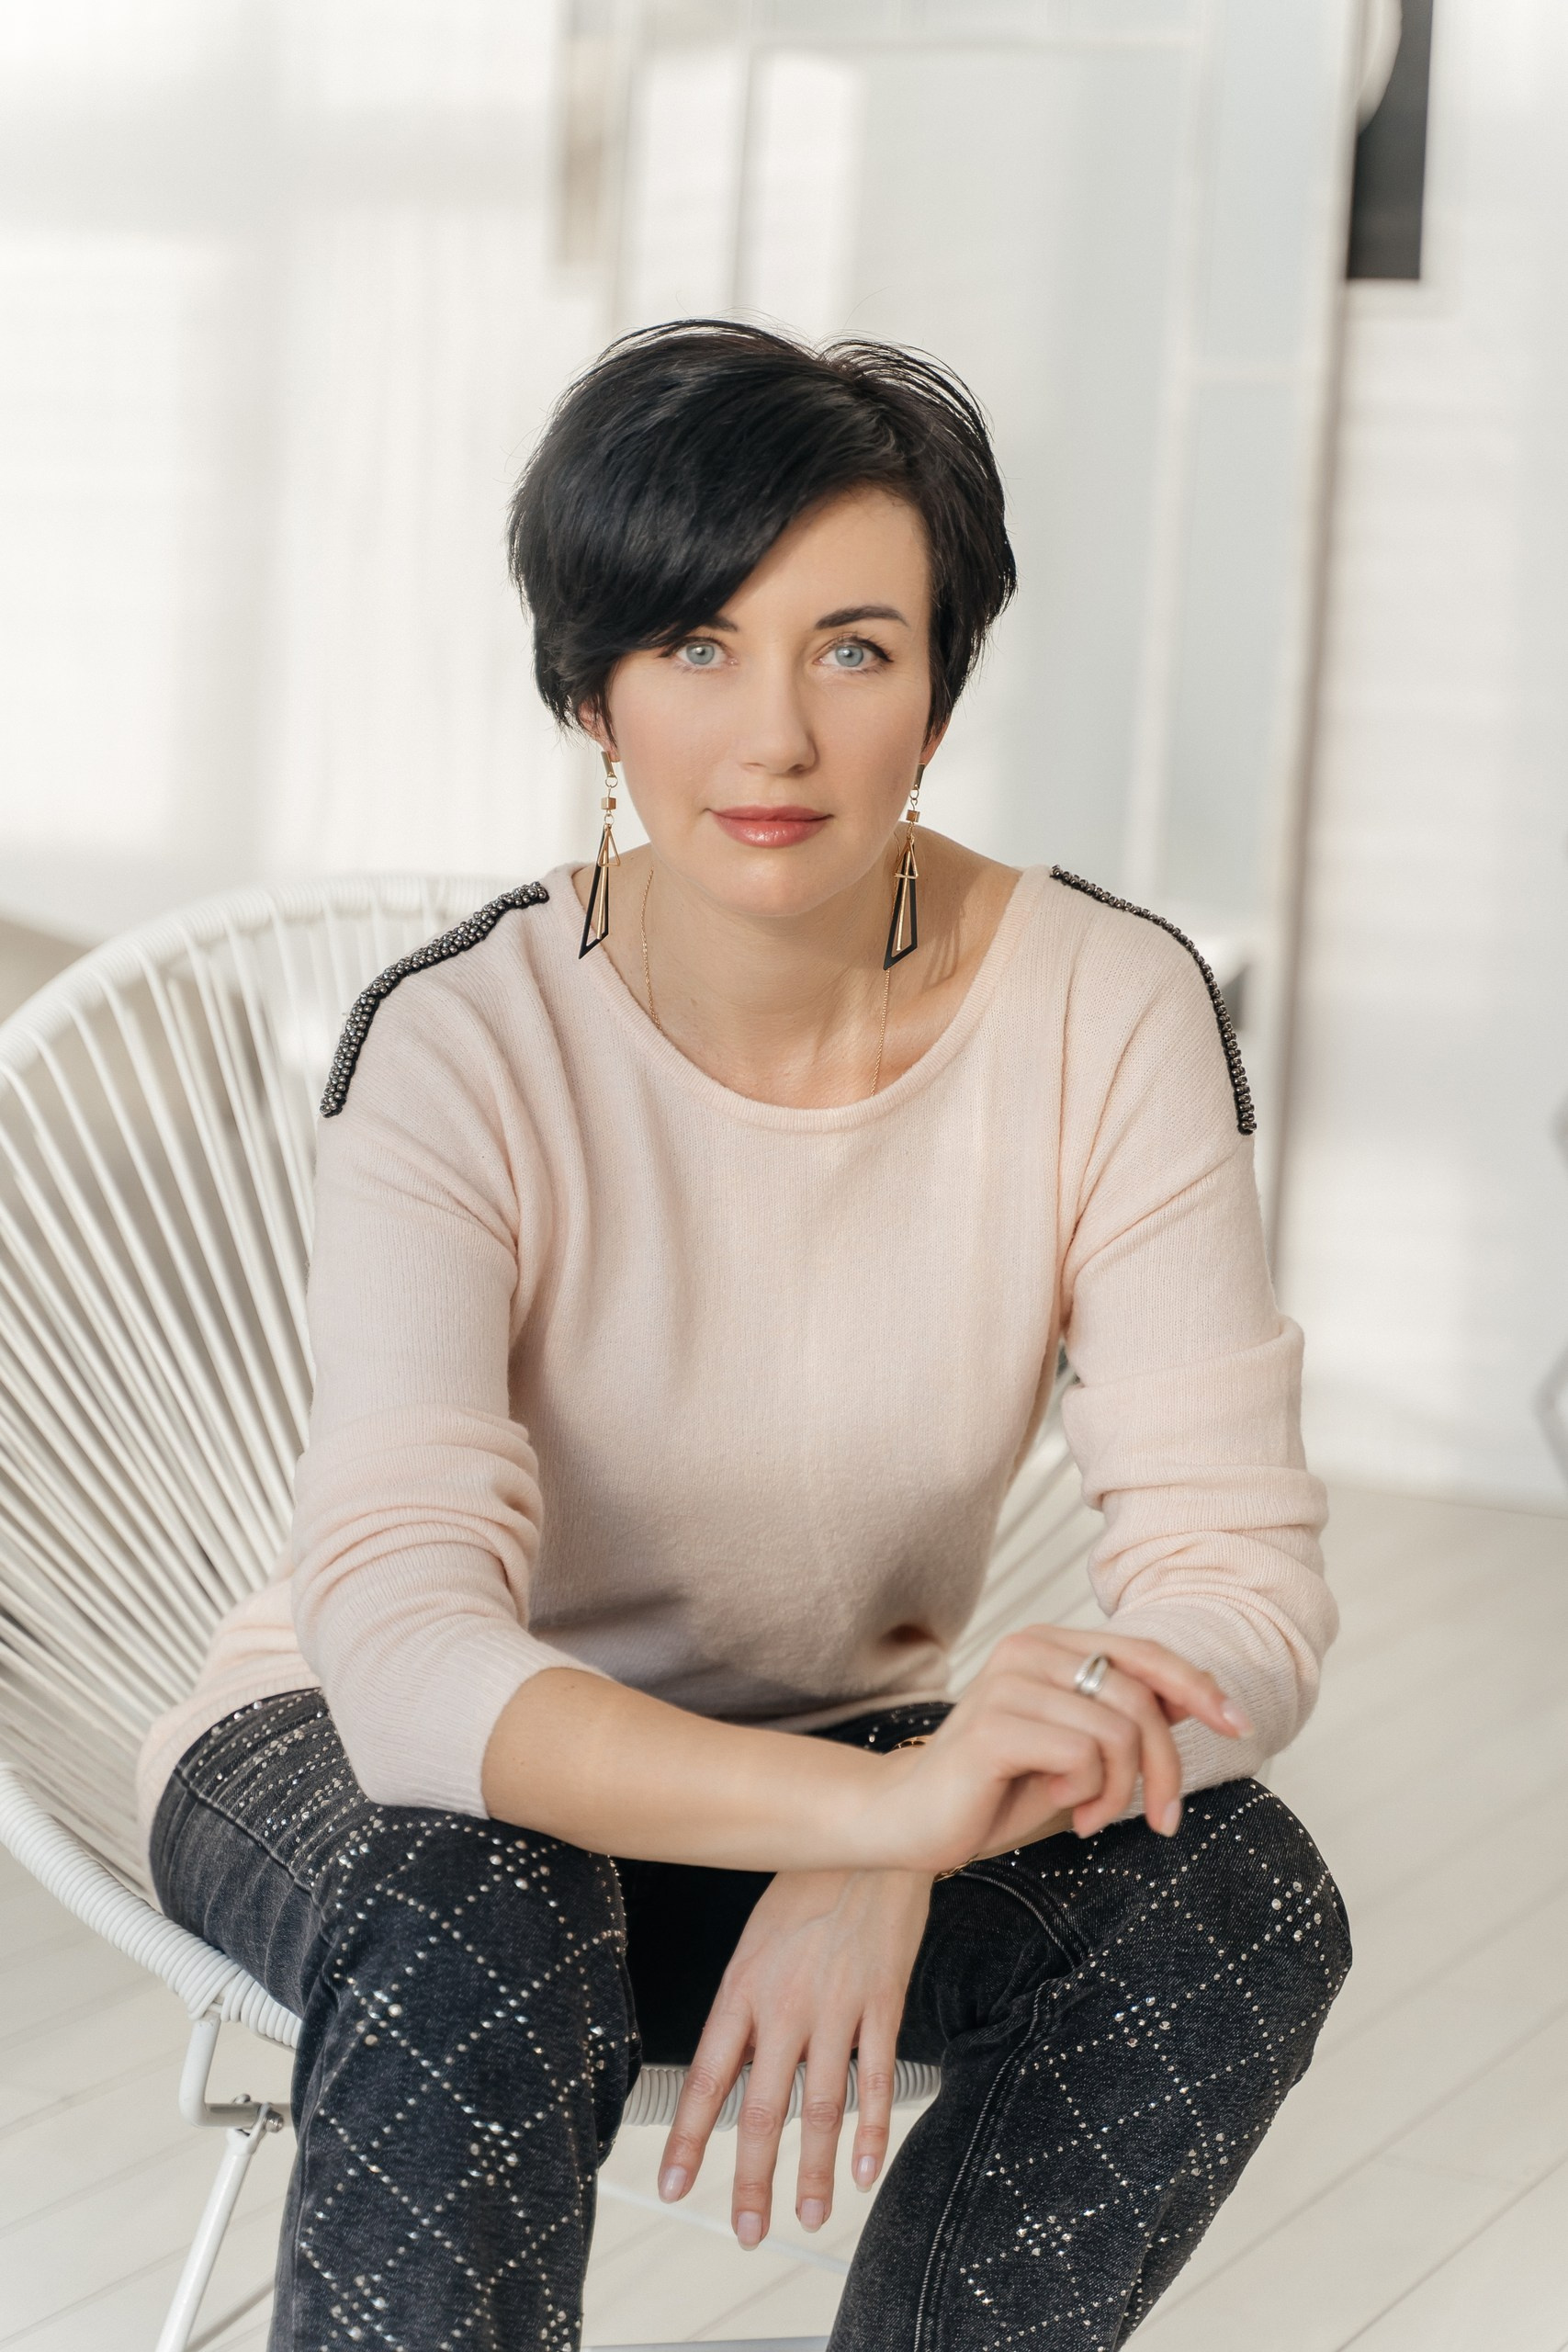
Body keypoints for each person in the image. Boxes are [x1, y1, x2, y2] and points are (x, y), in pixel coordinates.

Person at [139, 320, 1349, 2352]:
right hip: (378, 1764)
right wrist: (877, 1817)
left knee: (1236, 1902)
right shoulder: (455, 1044)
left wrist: (912, 1818)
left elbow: (1240, 1584)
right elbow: (410, 1663)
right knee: (483, 1899)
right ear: (589, 690)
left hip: (833, 1758)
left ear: (938, 688)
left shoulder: (1108, 1008)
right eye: (696, 645)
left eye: (851, 648)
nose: (774, 735)